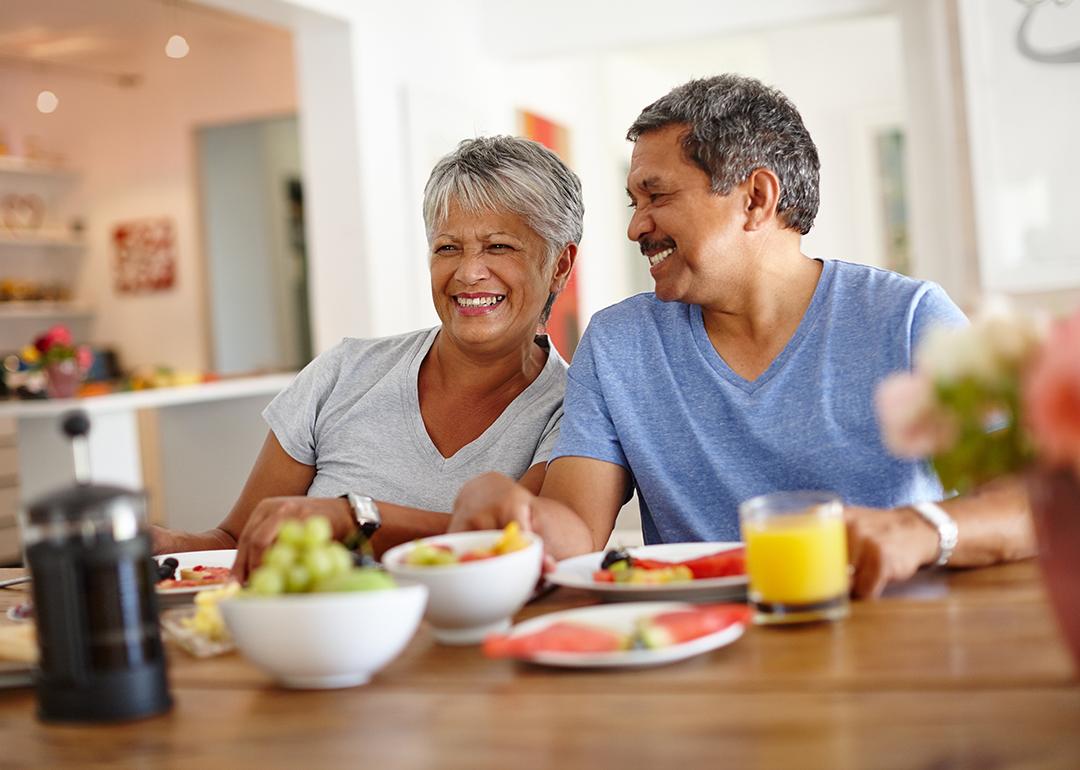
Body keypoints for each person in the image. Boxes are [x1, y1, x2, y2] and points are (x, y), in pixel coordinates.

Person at [448, 75, 1036, 598]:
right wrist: (518, 514)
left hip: (889, 638)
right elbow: (575, 534)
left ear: (756, 199)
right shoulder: (618, 342)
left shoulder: (908, 318)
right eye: (634, 201)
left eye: (657, 195)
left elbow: (1037, 503)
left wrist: (917, 529)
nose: (635, 226)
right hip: (699, 657)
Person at [153, 135, 583, 577]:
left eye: (499, 247)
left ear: (560, 266)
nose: (468, 272)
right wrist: (170, 543)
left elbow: (517, 545)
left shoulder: (574, 410)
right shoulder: (344, 372)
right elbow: (234, 541)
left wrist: (352, 517)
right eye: (447, 247)